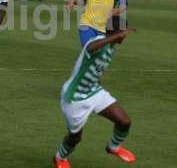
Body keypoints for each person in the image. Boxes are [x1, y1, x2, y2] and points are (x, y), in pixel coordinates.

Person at [53, 17, 136, 168]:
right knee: (75, 138)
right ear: (114, 32)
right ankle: (59, 157)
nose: (125, 36)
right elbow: (91, 48)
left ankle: (113, 147)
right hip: (75, 97)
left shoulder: (111, 47)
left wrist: (115, 38)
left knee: (124, 121)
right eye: (123, 32)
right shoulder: (96, 42)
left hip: (93, 91)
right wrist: (115, 36)